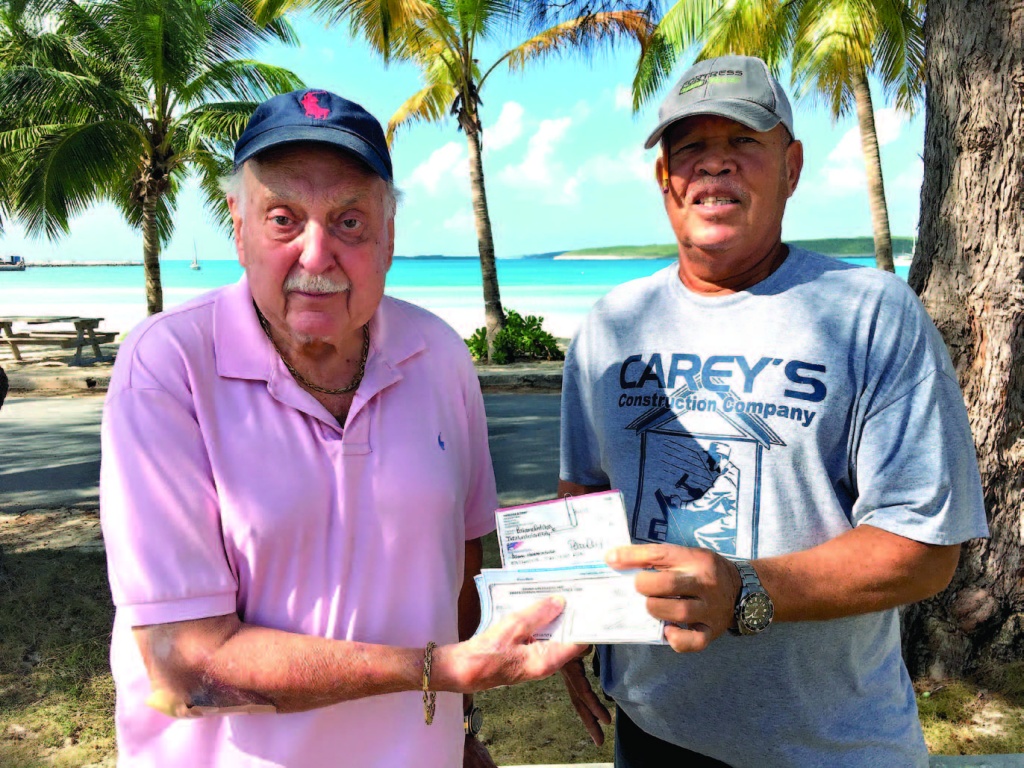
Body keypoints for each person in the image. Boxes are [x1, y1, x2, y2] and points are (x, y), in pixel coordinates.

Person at [99, 89, 584, 768]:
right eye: (283, 218)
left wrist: (459, 725)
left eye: (350, 221)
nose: (317, 254)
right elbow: (186, 668)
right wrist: (435, 671)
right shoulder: (168, 365)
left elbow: (458, 565)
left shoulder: (439, 354)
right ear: (238, 226)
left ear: (390, 236)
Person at [557, 55, 988, 767]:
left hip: (831, 745)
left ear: (791, 167)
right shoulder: (610, 323)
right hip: (654, 733)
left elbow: (925, 550)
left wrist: (746, 588)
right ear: (665, 178)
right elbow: (587, 497)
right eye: (690, 148)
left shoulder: (873, 314)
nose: (713, 168)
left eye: (742, 145)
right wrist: (566, 621)